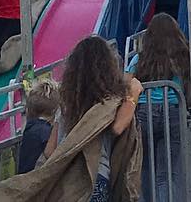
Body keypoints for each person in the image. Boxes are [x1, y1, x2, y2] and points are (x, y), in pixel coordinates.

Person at [49, 35, 143, 200]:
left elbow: (50, 149)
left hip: (65, 179)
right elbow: (118, 126)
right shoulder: (107, 104)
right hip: (93, 176)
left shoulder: (67, 106)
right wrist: (133, 93)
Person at [128, 14, 190, 202]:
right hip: (172, 111)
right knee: (166, 173)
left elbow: (126, 81)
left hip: (145, 111)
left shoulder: (141, 58)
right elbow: (190, 84)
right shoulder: (183, 57)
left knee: (145, 167)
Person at [16, 78, 59, 176]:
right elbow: (50, 154)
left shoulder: (32, 128)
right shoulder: (45, 131)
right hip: (35, 180)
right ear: (54, 111)